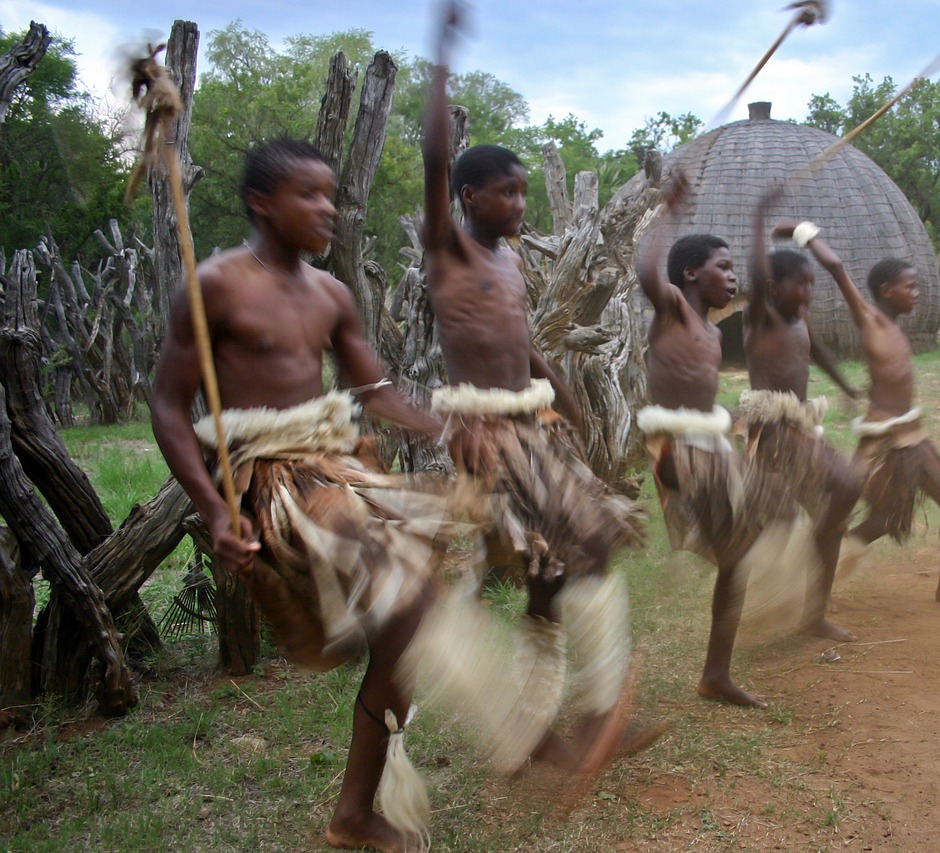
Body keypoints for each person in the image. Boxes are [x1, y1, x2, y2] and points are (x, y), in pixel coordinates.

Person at [152, 138, 449, 852]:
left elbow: (371, 387)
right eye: (310, 195)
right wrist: (213, 508)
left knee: (411, 615)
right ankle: (358, 795)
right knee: (406, 595)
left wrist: (442, 421)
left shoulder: (331, 293)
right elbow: (167, 402)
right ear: (262, 203)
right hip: (270, 480)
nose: (329, 210)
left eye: (333, 196)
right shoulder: (218, 283)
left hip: (328, 463)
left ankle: (354, 811)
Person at [419, 0, 650, 777]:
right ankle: (577, 716)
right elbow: (430, 161)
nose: (519, 205)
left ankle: (543, 725)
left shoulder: (513, 262)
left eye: (523, 192)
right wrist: (443, 52)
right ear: (468, 197)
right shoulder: (449, 253)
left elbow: (520, 341)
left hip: (531, 420)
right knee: (577, 552)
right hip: (487, 435)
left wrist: (561, 390)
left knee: (561, 568)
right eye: (505, 193)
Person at [775, 221, 940, 609]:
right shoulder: (871, 318)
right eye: (911, 287)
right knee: (873, 518)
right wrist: (802, 232)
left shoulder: (894, 326)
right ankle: (815, 568)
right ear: (886, 291)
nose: (917, 294)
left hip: (912, 433)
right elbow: (837, 268)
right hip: (883, 440)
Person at [636, 172, 789, 709]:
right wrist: (668, 210)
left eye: (732, 268)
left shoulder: (710, 333)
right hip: (676, 451)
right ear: (690, 273)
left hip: (706, 445)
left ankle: (715, 675)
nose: (732, 278)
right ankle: (714, 656)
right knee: (756, 523)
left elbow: (700, 395)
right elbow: (644, 269)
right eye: (723, 268)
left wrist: (732, 417)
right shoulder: (673, 307)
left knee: (741, 555)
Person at [739, 190, 862, 642]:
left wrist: (847, 385)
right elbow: (755, 270)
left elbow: (819, 354)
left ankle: (813, 613)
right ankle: (793, 563)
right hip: (772, 430)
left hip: (800, 426)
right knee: (845, 486)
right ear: (772, 288)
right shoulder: (761, 316)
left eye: (813, 284)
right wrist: (759, 213)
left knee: (829, 514)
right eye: (800, 284)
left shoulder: (798, 319)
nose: (808, 292)